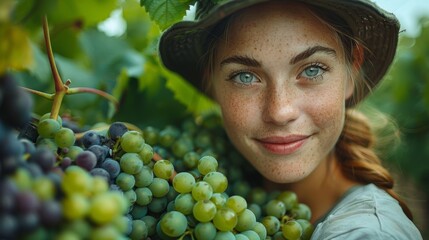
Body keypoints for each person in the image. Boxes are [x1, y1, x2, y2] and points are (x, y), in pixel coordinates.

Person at [158, 0, 423, 239]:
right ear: (212, 83)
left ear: (351, 72)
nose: (280, 111)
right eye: (245, 77)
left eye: (312, 69)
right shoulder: (230, 193)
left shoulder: (366, 233)